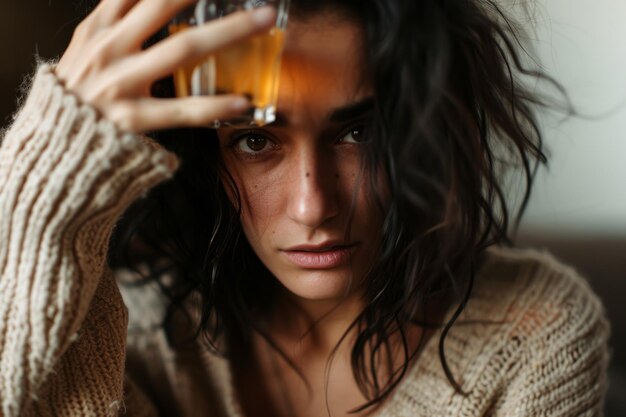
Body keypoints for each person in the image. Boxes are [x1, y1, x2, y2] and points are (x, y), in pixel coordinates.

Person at [0, 0, 611, 416]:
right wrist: (40, 179)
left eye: (360, 133)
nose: (312, 204)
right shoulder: (140, 332)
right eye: (256, 140)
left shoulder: (534, 335)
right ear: (205, 154)